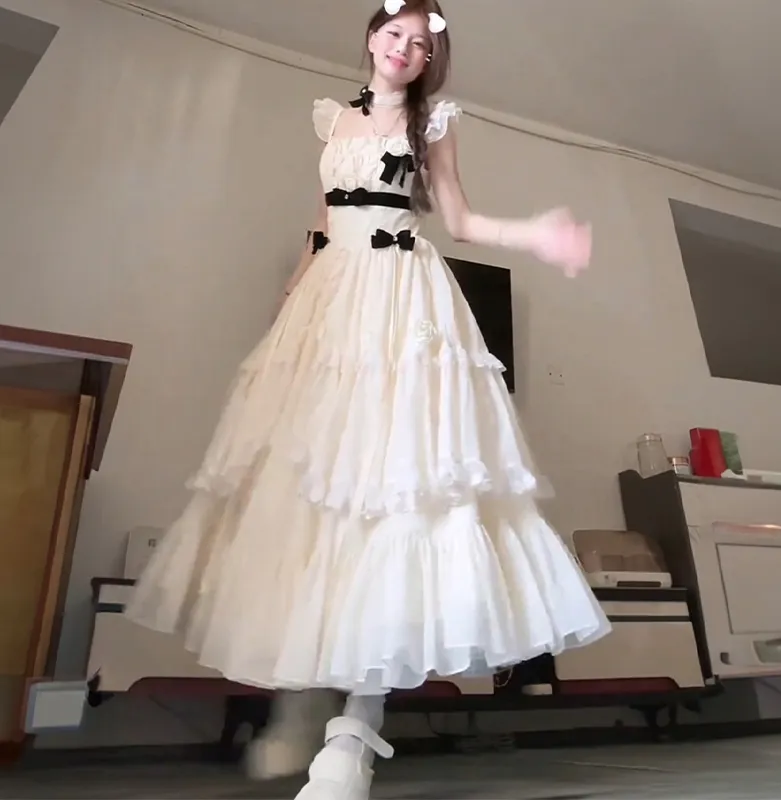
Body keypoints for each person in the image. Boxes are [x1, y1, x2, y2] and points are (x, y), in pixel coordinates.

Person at [125, 0, 611, 797]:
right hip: (330, 305)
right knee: (308, 496)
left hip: (401, 300)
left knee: (398, 488)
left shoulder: (434, 123)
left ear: (429, 60)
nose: (405, 48)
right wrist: (293, 296)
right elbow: (323, 222)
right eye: (395, 33)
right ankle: (298, 709)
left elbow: (459, 218)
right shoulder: (333, 119)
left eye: (420, 43)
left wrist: (537, 235)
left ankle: (354, 728)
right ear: (372, 38)